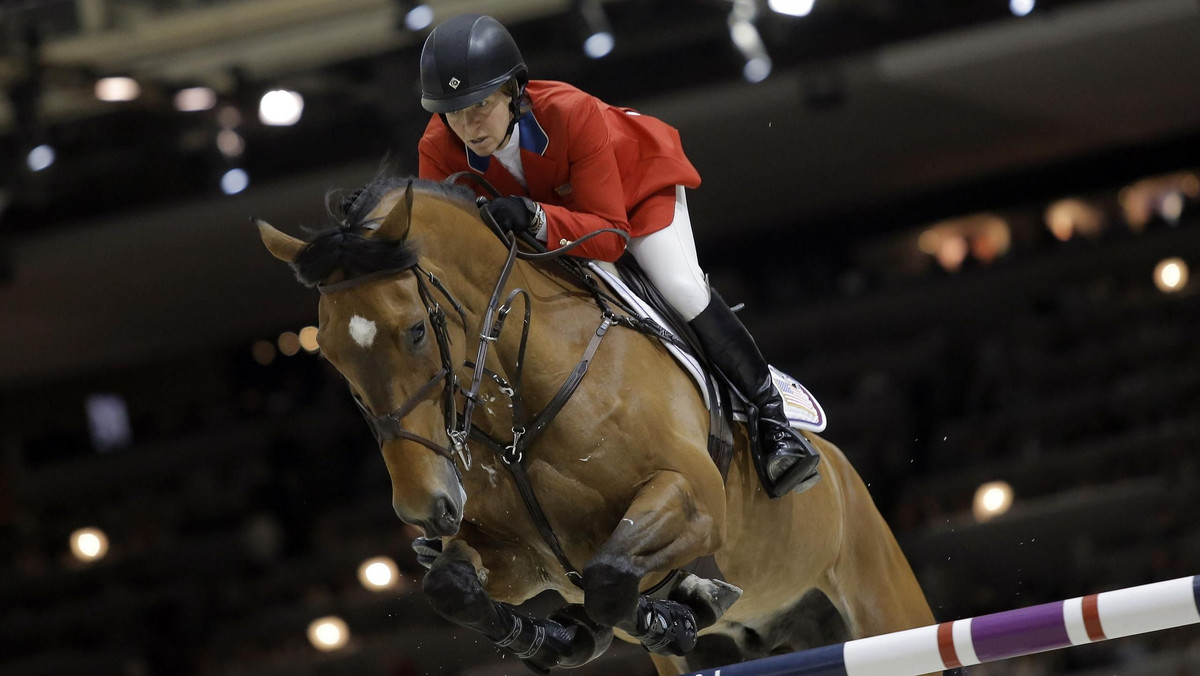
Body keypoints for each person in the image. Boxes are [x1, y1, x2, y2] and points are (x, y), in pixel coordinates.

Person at [416, 14, 818, 498]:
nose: (467, 126)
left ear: (513, 91)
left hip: (630, 193)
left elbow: (608, 237)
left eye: (479, 105)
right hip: (555, 217)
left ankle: (773, 420)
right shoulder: (438, 148)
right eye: (452, 113)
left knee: (679, 286)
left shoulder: (570, 111)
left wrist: (538, 218)